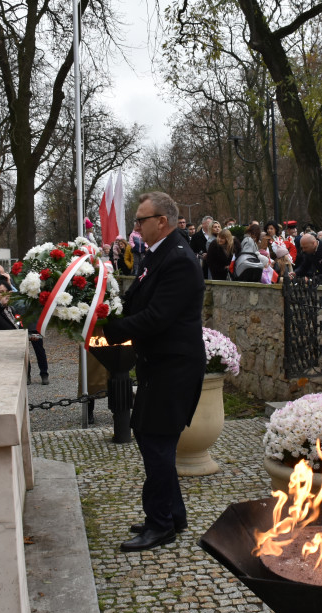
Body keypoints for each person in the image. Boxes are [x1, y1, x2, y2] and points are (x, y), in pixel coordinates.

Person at [103, 191, 206, 552]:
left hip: (174, 367)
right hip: (159, 365)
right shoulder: (156, 254)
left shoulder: (178, 259)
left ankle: (159, 523)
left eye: (140, 220)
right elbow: (136, 300)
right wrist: (102, 305)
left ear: (162, 221)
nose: (135, 226)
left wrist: (114, 330)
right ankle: (173, 515)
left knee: (156, 443)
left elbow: (159, 316)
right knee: (151, 440)